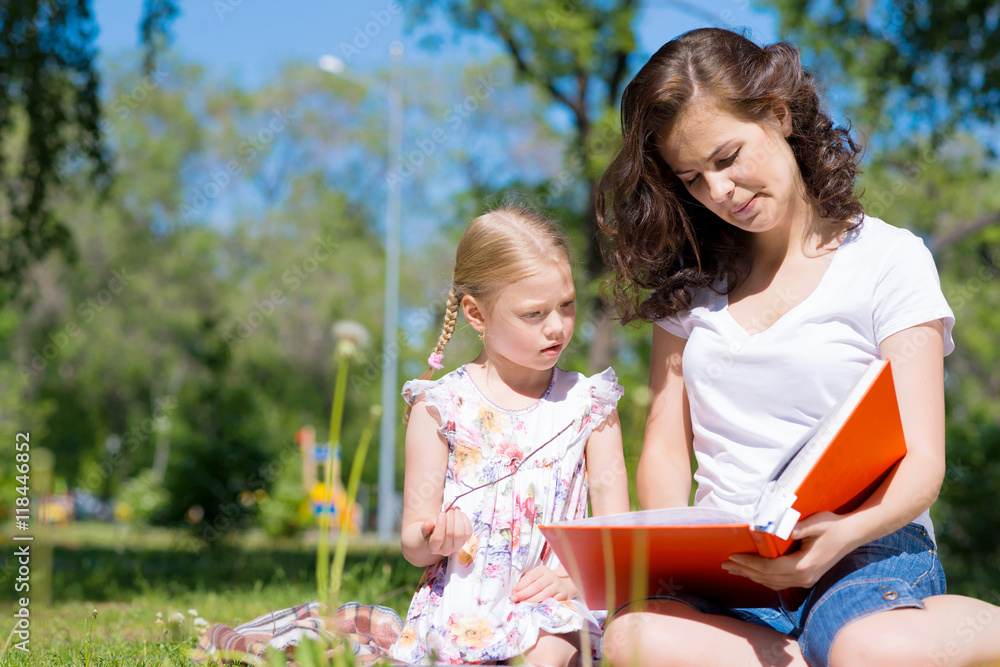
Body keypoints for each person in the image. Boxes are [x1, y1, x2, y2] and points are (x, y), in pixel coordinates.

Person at [595, 27, 1000, 667]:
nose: (719, 191)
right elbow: (667, 449)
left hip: (860, 549)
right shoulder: (689, 289)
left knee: (870, 647)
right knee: (631, 639)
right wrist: (679, 551)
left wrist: (840, 535)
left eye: (727, 157)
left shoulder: (888, 259)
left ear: (778, 115)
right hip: (729, 565)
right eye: (693, 178)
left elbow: (925, 464)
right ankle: (809, 653)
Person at [390, 205, 631, 666]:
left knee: (545, 652)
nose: (557, 325)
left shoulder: (591, 406)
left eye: (567, 304)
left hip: (556, 607)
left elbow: (615, 533)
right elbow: (413, 543)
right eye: (533, 313)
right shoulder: (440, 408)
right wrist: (434, 538)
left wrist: (578, 579)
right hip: (462, 612)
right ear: (477, 315)